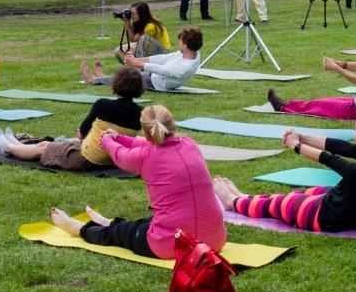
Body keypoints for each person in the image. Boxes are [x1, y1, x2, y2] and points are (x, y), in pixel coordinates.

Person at [49, 104, 226, 257]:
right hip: (215, 240)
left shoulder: (147, 156)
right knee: (147, 222)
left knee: (120, 233)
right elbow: (149, 144)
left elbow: (119, 155)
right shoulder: (190, 143)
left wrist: (108, 140)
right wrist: (119, 138)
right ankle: (108, 222)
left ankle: (77, 228)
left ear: (147, 131)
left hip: (172, 246)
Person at [213, 112, 356, 232]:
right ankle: (246, 197)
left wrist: (296, 145)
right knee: (305, 193)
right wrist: (303, 137)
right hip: (347, 208)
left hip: (330, 218)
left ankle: (233, 202)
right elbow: (344, 148)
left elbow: (333, 160)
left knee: (281, 203)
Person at [0, 67, 144, 171]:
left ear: (116, 84)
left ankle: (8, 147)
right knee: (68, 141)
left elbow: (81, 134)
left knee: (43, 147)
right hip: (113, 160)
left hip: (87, 160)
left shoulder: (103, 104)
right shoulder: (140, 113)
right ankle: (19, 144)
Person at [267, 38, 356, 120]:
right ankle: (288, 105)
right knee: (319, 102)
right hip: (355, 102)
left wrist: (336, 68)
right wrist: (340, 63)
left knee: (318, 107)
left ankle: (282, 107)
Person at [85, 25, 203, 92]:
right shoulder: (191, 52)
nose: (179, 43)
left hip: (156, 83)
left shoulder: (186, 67)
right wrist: (137, 60)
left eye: (181, 41)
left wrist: (137, 63)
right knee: (129, 74)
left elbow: (163, 70)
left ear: (186, 45)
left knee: (127, 79)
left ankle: (93, 80)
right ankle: (103, 77)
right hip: (155, 76)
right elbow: (163, 58)